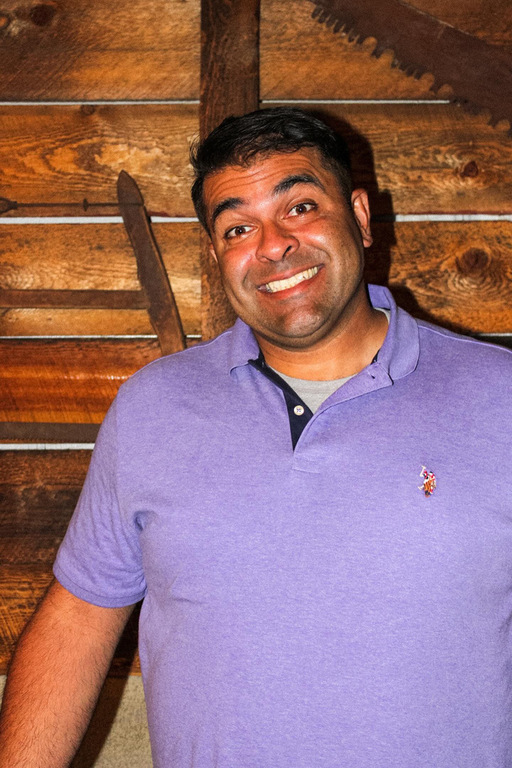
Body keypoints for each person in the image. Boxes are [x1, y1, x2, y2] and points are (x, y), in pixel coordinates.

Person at [0, 107, 511, 768]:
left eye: (299, 207)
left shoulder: (500, 399)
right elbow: (78, 619)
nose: (273, 245)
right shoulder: (154, 407)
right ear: (217, 256)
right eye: (238, 227)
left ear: (359, 216)